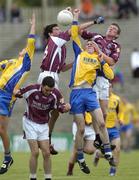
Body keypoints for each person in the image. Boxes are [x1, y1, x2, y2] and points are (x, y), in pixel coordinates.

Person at [37, 7, 105, 155]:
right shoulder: (55, 39)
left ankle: (47, 139)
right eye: (55, 29)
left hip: (52, 75)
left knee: (54, 112)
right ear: (50, 34)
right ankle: (42, 139)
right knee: (53, 108)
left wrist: (77, 62)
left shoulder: (59, 48)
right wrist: (93, 21)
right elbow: (75, 30)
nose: (58, 30)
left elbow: (62, 68)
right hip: (48, 76)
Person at [69, 8, 115, 174]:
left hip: (89, 93)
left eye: (91, 44)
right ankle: (80, 158)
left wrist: (103, 61)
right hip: (76, 94)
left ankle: (108, 151)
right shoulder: (79, 53)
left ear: (95, 49)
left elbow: (110, 74)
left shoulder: (97, 59)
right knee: (80, 129)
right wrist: (75, 16)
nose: (89, 44)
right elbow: (74, 32)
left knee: (101, 122)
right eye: (87, 43)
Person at [15, 76, 71, 180]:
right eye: (46, 90)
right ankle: (32, 177)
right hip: (29, 123)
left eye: (50, 90)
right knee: (35, 152)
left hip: (44, 125)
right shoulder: (32, 89)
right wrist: (14, 91)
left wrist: (66, 107)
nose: (48, 92)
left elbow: (60, 108)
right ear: (41, 85)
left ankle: (48, 177)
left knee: (46, 153)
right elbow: (18, 92)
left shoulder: (55, 94)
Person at [0, 13, 36, 174]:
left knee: (1, 130)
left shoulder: (26, 62)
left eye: (25, 49)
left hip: (7, 97)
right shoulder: (11, 62)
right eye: (22, 49)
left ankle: (7, 157)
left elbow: (31, 41)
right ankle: (7, 157)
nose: (23, 49)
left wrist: (33, 24)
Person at [80, 17, 121, 149]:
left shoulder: (116, 46)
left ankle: (99, 139)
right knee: (95, 110)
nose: (111, 28)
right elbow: (80, 30)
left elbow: (112, 62)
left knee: (103, 114)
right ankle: (101, 140)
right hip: (93, 77)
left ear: (117, 35)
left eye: (114, 29)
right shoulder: (96, 36)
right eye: (110, 27)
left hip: (104, 79)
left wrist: (100, 52)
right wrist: (94, 22)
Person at [93, 85, 122, 176]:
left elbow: (119, 112)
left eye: (110, 87)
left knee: (117, 150)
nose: (108, 89)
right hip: (103, 129)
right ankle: (98, 154)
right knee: (106, 152)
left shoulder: (116, 99)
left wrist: (120, 119)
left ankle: (112, 171)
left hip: (113, 128)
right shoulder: (99, 99)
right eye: (107, 87)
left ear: (112, 88)